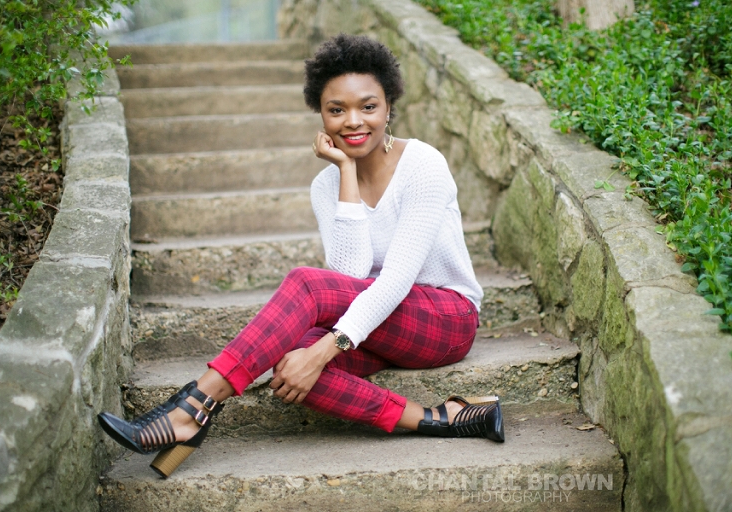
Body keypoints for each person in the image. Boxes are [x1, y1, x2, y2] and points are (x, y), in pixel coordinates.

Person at [97, 33, 504, 479]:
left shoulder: (423, 164)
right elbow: (349, 275)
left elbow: (393, 281)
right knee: (291, 361)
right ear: (321, 115)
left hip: (444, 318)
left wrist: (329, 347)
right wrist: (347, 171)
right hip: (375, 322)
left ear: (389, 107)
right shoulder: (325, 185)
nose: (353, 121)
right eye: (337, 110)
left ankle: (192, 408)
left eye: (368, 107)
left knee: (308, 291)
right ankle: (436, 418)